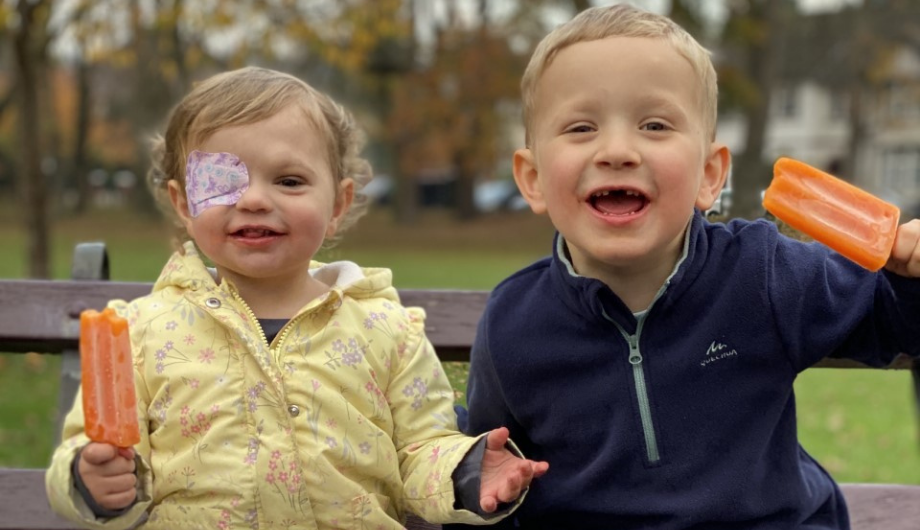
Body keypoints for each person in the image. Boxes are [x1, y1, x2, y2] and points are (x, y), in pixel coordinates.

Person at [450, 5, 920, 530]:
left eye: (654, 124)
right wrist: (469, 477)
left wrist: (909, 275)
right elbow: (492, 471)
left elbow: (890, 320)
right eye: (582, 127)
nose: (618, 150)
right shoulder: (514, 323)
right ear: (533, 178)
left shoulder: (762, 273)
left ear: (709, 175)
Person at [45, 66, 547, 530]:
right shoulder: (141, 333)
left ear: (338, 204)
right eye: (222, 180)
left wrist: (467, 473)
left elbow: (421, 448)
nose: (255, 199)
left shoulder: (386, 329)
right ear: (182, 203)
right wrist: (93, 481)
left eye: (289, 181)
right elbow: (91, 452)